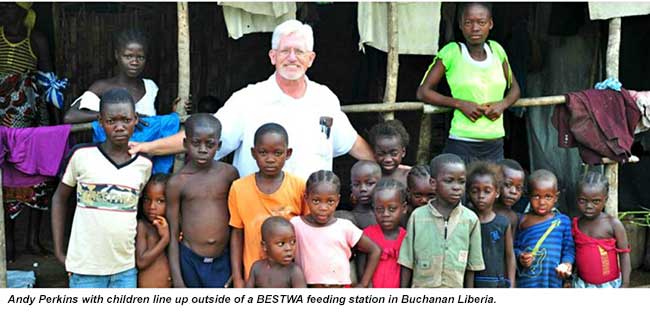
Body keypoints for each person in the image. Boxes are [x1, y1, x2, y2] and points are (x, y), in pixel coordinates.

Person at [128, 19, 374, 180]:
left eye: (299, 51)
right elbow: (201, 138)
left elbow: (352, 143)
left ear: (310, 59)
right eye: (284, 51)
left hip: (311, 218)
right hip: (260, 218)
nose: (292, 58)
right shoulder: (248, 99)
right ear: (272, 56)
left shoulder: (324, 98)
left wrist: (386, 168)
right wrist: (147, 147)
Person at [51, 88, 152, 288]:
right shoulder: (81, 156)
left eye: (126, 120)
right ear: (100, 121)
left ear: (135, 119)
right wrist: (59, 251)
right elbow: (59, 199)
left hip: (125, 269)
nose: (119, 127)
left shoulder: (144, 165)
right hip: (85, 268)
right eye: (111, 121)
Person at [416, 2, 520, 165]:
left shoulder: (497, 51)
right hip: (461, 143)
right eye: (468, 22)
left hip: (495, 144)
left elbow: (515, 88)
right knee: (458, 190)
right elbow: (423, 92)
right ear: (460, 25)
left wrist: (503, 104)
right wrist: (459, 103)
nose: (475, 28)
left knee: (491, 190)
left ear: (490, 24)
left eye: (481, 22)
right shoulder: (452, 52)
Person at [1, 2, 55, 262]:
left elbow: (47, 78)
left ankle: (32, 240)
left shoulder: (36, 39)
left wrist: (53, 119)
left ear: (23, 12)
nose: (4, 10)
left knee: (38, 173)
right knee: (5, 175)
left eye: (10, 6)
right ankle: (8, 239)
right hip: (2, 116)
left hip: (32, 113)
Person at [228, 123, 308, 288]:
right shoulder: (239, 188)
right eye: (263, 152)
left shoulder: (299, 187)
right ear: (253, 153)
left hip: (289, 277)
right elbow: (237, 233)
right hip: (253, 276)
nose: (270, 159)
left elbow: (308, 232)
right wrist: (237, 277)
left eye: (277, 153)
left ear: (288, 154)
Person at [165, 113, 239, 288]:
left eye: (210, 144)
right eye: (196, 143)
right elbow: (173, 234)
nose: (203, 149)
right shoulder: (177, 182)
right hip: (190, 260)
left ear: (219, 145)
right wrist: (177, 280)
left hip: (223, 260)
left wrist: (236, 270)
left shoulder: (229, 174)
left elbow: (237, 224)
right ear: (185, 143)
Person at [63, 29, 186, 124]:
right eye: (128, 56)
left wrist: (175, 112)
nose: (134, 62)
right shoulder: (103, 87)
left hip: (147, 152)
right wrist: (116, 116)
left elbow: (159, 121)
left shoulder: (150, 87)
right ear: (117, 55)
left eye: (140, 57)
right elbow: (70, 116)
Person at [399, 153, 484, 288]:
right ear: (433, 183)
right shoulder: (418, 217)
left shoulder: (470, 220)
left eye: (461, 181)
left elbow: (471, 267)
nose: (456, 187)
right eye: (449, 181)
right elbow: (407, 262)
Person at [291, 170, 381, 287]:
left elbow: (375, 250)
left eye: (330, 201)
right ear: (306, 198)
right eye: (316, 201)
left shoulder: (345, 227)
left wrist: (363, 284)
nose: (323, 207)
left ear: (338, 200)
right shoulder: (296, 225)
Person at [514, 169, 575, 288]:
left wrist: (567, 264)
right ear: (528, 196)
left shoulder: (562, 221)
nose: (542, 202)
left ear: (556, 197)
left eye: (548, 197)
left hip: (554, 280)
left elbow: (569, 249)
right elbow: (514, 247)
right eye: (536, 196)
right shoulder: (522, 220)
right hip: (528, 282)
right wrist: (520, 256)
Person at [572, 171, 631, 288]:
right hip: (581, 284)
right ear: (577, 199)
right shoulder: (576, 224)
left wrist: (625, 283)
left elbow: (624, 254)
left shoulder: (613, 224)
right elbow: (573, 253)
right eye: (583, 201)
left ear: (605, 200)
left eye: (596, 201)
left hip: (609, 284)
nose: (589, 206)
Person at [466, 161, 515, 288]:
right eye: (475, 191)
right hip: (471, 282)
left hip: (497, 283)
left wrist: (512, 284)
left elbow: (510, 256)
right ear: (468, 192)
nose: (481, 196)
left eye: (487, 191)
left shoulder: (503, 223)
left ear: (497, 192)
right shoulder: (466, 221)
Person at [362, 178, 407, 288]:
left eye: (392, 209)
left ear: (404, 208)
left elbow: (407, 271)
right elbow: (361, 267)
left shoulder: (406, 237)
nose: (385, 214)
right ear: (373, 209)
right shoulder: (367, 234)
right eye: (380, 209)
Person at [245, 216, 307, 288]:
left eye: (292, 242)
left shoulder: (294, 272)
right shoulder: (256, 268)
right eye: (281, 244)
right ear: (264, 246)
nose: (289, 248)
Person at [136, 174, 172, 288]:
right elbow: (141, 262)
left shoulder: (171, 226)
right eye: (147, 199)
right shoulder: (143, 226)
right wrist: (165, 239)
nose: (152, 206)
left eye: (160, 201)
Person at [368, 119, 411, 186]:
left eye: (394, 154)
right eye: (381, 154)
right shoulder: (369, 177)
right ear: (374, 153)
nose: (388, 159)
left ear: (403, 152)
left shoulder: (410, 176)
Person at [494, 159, 526, 237]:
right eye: (508, 185)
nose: (513, 191)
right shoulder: (481, 210)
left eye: (518, 188)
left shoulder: (512, 218)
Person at [349, 160, 383, 230]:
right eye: (356, 184)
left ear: (381, 183)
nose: (363, 189)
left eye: (370, 183)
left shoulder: (389, 213)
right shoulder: (351, 219)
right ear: (351, 187)